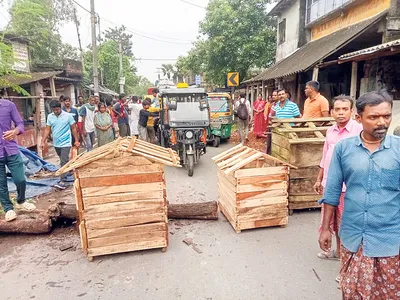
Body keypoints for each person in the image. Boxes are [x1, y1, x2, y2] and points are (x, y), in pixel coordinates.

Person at [318, 91, 400, 299]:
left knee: (389, 293)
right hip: (353, 236)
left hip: (389, 238)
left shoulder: (398, 149)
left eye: (386, 116)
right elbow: (333, 191)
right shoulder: (344, 149)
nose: (382, 122)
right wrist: (325, 228)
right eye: (373, 117)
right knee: (353, 292)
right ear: (359, 118)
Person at [313, 95, 362, 281]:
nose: (341, 113)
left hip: (347, 188)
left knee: (344, 227)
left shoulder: (358, 131)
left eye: (345, 109)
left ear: (352, 111)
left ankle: (346, 268)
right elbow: (325, 157)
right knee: (329, 222)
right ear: (332, 111)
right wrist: (319, 179)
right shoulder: (330, 131)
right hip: (329, 184)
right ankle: (335, 252)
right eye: (337, 109)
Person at [0, 95, 36, 221]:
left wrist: (15, 131)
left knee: (20, 179)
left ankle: (21, 201)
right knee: (1, 184)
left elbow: (20, 124)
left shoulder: (8, 105)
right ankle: (8, 209)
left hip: (11, 149)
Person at [42, 100, 80, 190]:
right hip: (56, 143)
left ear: (60, 108)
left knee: (63, 160)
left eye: (57, 110)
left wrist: (76, 140)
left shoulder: (68, 116)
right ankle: (67, 170)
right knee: (63, 159)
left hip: (66, 142)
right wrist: (43, 141)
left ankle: (63, 181)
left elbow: (74, 128)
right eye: (54, 110)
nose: (55, 111)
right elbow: (47, 129)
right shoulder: (50, 117)